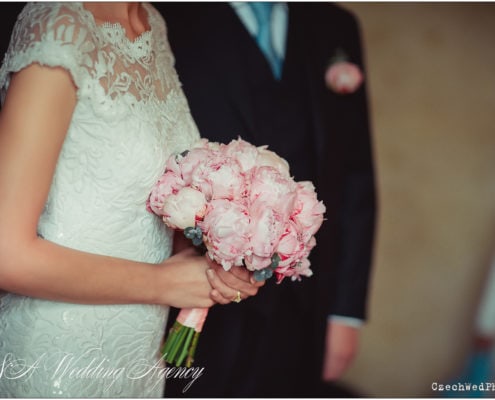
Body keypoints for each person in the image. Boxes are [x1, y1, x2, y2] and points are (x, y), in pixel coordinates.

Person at [0, 2, 262, 397]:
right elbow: (6, 253)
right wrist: (163, 282)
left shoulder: (152, 22)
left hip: (137, 353)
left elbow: (142, 203)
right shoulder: (61, 23)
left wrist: (216, 259)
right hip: (58, 352)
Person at [155, 2, 376, 397]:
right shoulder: (164, 11)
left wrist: (345, 313)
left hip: (306, 300)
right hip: (193, 291)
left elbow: (355, 174)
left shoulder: (335, 25)